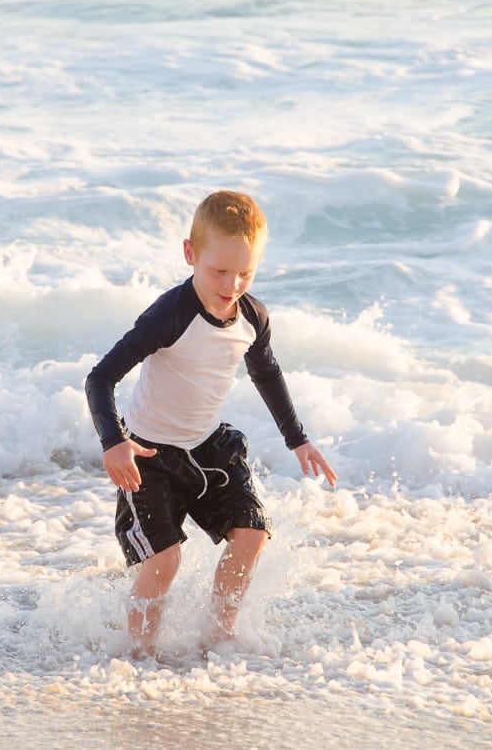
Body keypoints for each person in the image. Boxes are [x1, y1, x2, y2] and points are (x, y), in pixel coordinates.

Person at [85, 190, 336, 660]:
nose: (232, 283)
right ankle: (139, 653)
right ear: (190, 254)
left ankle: (218, 636)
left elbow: (266, 372)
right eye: (219, 271)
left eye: (245, 272)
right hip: (149, 454)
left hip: (208, 446)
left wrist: (298, 439)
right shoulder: (169, 315)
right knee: (165, 560)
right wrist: (113, 441)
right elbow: (100, 377)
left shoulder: (252, 316)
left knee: (252, 533)